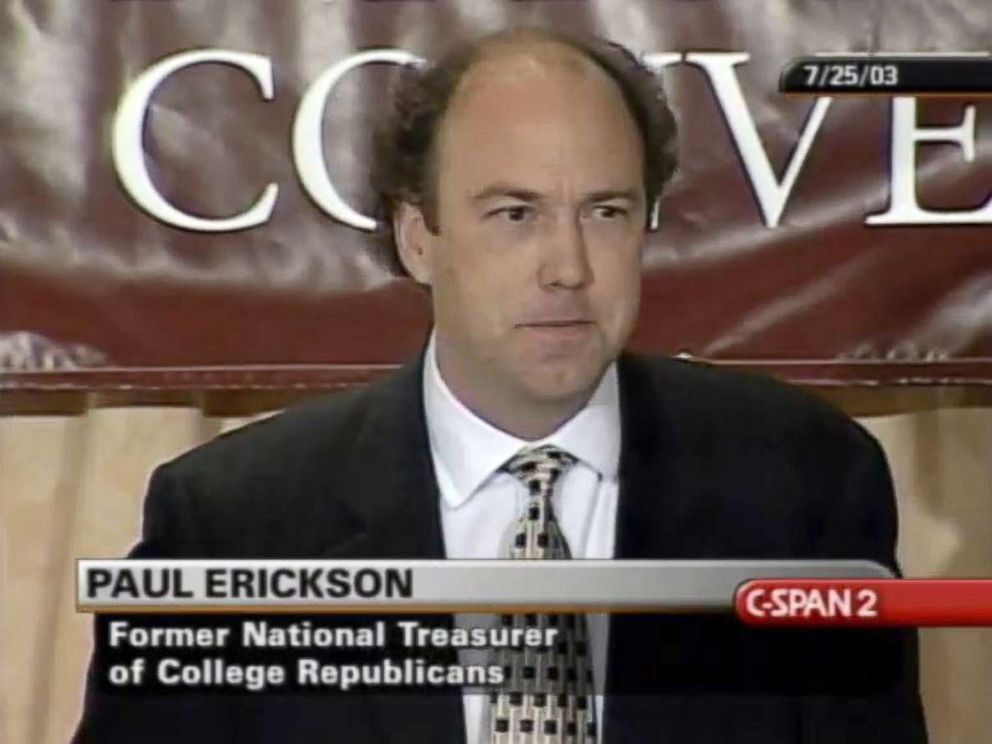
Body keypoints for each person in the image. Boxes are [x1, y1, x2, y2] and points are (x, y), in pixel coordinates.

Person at [74, 27, 928, 743]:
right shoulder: (232, 527)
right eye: (515, 215)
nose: (568, 269)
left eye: (606, 211)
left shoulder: (806, 489)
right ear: (419, 240)